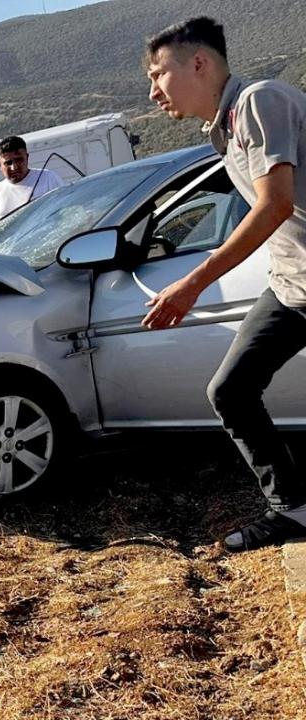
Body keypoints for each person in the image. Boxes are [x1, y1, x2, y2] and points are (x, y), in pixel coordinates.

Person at [143, 17, 306, 551]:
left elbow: (274, 203)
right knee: (231, 390)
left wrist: (191, 283)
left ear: (199, 63)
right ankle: (294, 510)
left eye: (158, 73)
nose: (153, 90)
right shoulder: (224, 131)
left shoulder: (259, 101)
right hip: (293, 288)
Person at [0, 136, 64, 228]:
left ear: (27, 157)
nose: (14, 167)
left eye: (18, 160)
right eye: (8, 163)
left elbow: (67, 214)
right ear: (0, 165)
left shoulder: (48, 178)